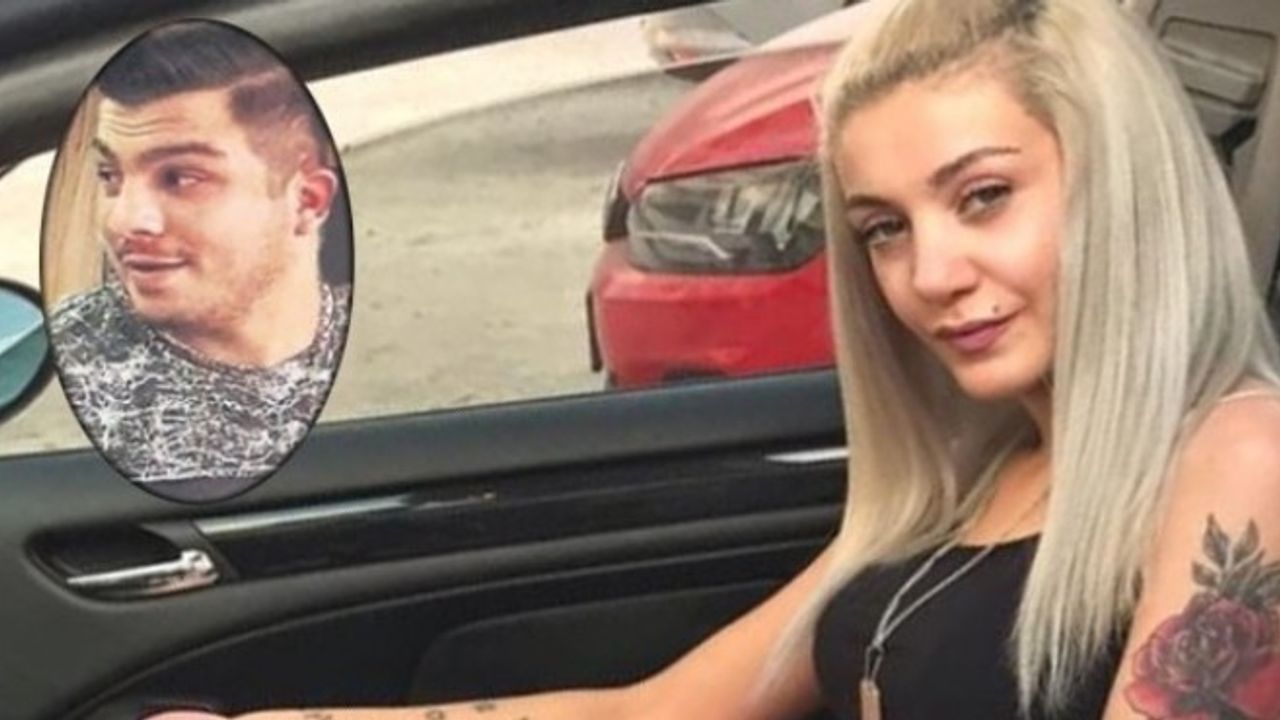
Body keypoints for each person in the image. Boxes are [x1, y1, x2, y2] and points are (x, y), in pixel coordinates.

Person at [151, 0, 1280, 716]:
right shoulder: (983, 478)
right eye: (883, 228)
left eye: (982, 197)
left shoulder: (1239, 454)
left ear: (1118, 189)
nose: (927, 273)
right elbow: (654, 711)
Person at [48, 20, 350, 502]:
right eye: (109, 175)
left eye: (182, 178)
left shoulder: (392, 350)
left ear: (307, 202)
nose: (124, 220)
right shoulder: (70, 367)